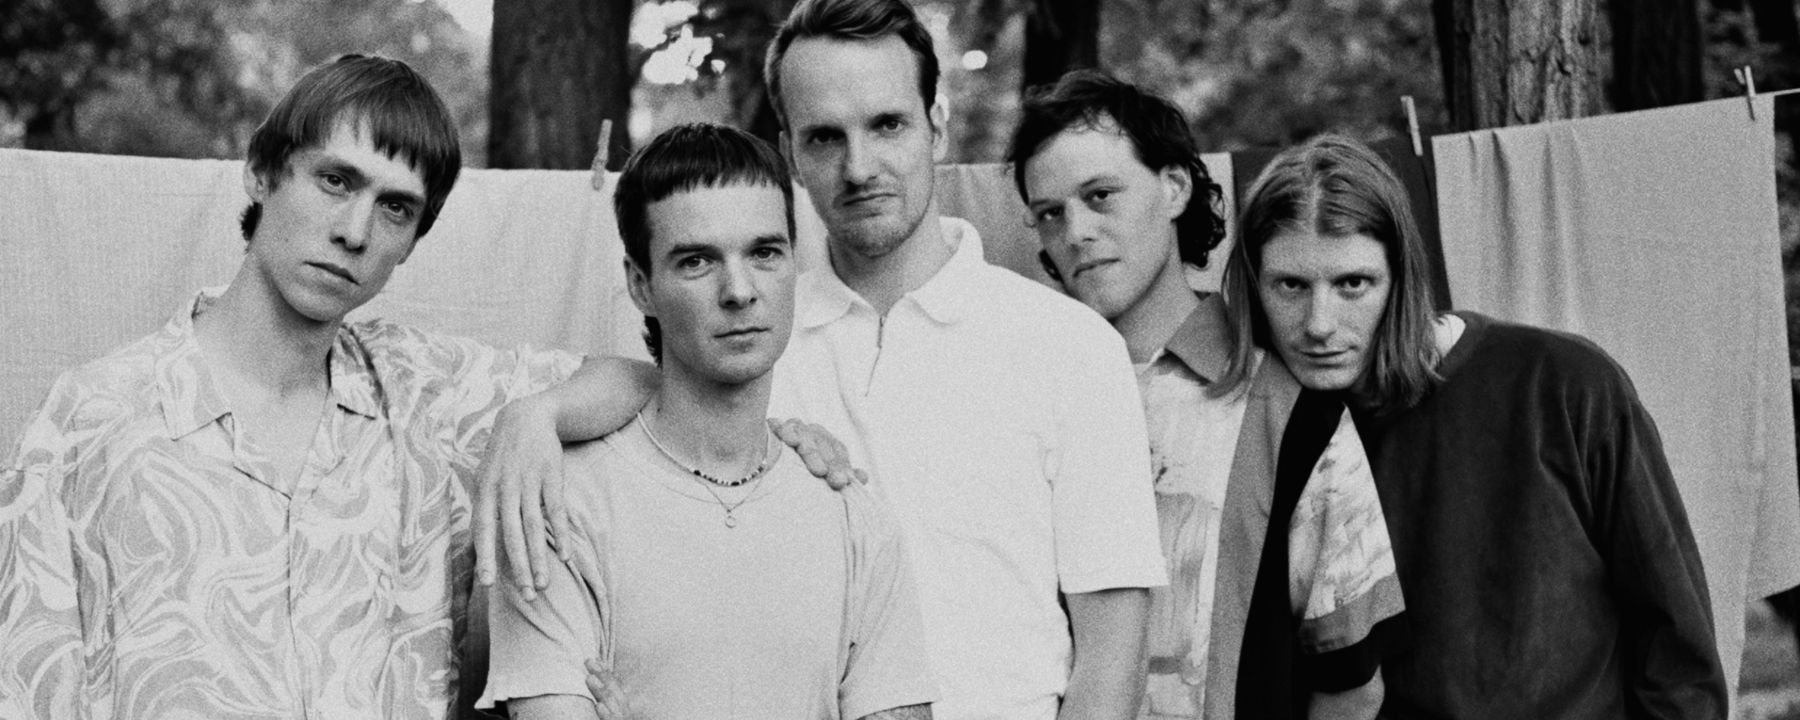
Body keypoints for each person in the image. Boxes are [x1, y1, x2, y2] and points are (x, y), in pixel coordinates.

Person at [0, 55, 851, 719]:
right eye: (335, 180)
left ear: (413, 241)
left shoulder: (429, 398)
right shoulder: (93, 418)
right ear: (262, 172)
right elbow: (25, 686)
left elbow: (649, 382)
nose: (354, 230)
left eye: (396, 208)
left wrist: (536, 416)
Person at [1219, 134, 1727, 719]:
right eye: (1291, 286)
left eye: (1352, 284)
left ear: (1401, 279)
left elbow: (1678, 648)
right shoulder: (1259, 431)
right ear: (1255, 287)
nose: (1319, 324)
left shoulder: (1564, 384)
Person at [478, 123, 936, 720]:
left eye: (764, 253)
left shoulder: (854, 517)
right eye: (697, 261)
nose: (739, 291)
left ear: (794, 263)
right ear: (641, 285)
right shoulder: (557, 507)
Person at [1008, 69, 1402, 720]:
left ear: (1174, 187)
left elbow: (1352, 684)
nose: (1075, 231)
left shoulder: (1288, 410)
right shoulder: (1018, 395)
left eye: (1100, 196)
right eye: (1050, 213)